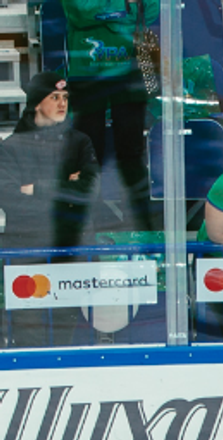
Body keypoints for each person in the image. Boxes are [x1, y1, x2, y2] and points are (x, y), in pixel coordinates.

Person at [0, 73, 99, 348]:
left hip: (71, 252)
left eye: (65, 98)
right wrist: (67, 191)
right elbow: (9, 198)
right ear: (36, 103)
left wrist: (36, 188)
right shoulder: (10, 148)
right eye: (54, 97)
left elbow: (90, 191)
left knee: (66, 335)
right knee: (29, 336)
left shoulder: (79, 142)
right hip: (28, 253)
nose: (62, 104)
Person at [62, 0, 158, 233]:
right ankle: (87, 227)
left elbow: (151, 10)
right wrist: (123, 6)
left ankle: (142, 227)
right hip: (87, 72)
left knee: (132, 154)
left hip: (129, 71)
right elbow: (80, 12)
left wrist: (108, 12)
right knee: (88, 154)